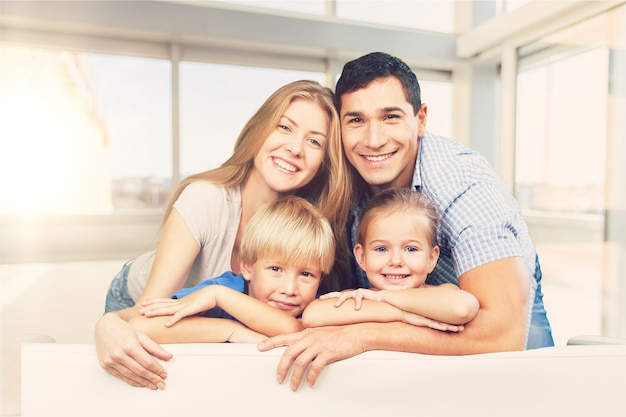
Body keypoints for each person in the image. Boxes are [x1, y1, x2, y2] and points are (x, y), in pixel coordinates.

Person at [258, 52, 554, 391]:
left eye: (390, 117)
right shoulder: (342, 175)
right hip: (406, 329)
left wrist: (363, 335)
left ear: (421, 118)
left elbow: (502, 333)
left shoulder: (463, 183)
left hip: (496, 325)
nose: (373, 140)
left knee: (525, 390)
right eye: (356, 120)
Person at [95, 80, 353, 390]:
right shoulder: (206, 199)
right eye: (284, 127)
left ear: (324, 161)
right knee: (139, 371)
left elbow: (294, 326)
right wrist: (108, 324)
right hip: (139, 299)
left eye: (314, 142)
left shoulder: (307, 225)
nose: (295, 148)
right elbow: (146, 315)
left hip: (213, 314)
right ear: (260, 130)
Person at [129, 196, 335, 344]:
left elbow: (292, 329)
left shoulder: (315, 307)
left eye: (306, 274)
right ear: (246, 266)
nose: (290, 289)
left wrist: (219, 297)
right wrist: (230, 331)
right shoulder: (221, 289)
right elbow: (140, 326)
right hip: (132, 280)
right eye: (275, 269)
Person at [302, 187, 478, 331]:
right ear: (361, 257)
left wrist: (383, 297)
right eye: (381, 249)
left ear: (432, 258)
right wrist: (402, 315)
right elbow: (312, 316)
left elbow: (461, 309)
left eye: (410, 249)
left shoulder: (441, 292)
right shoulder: (356, 298)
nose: (395, 261)